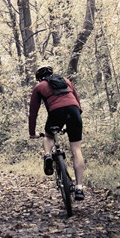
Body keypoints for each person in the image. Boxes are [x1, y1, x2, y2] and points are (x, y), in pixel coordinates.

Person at [29, 65, 85, 200]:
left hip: (56, 113)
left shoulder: (39, 87)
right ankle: (79, 188)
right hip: (74, 112)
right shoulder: (66, 81)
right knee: (76, 149)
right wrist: (72, 121)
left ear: (39, 78)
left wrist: (32, 133)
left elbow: (33, 113)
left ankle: (48, 155)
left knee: (48, 136)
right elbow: (77, 103)